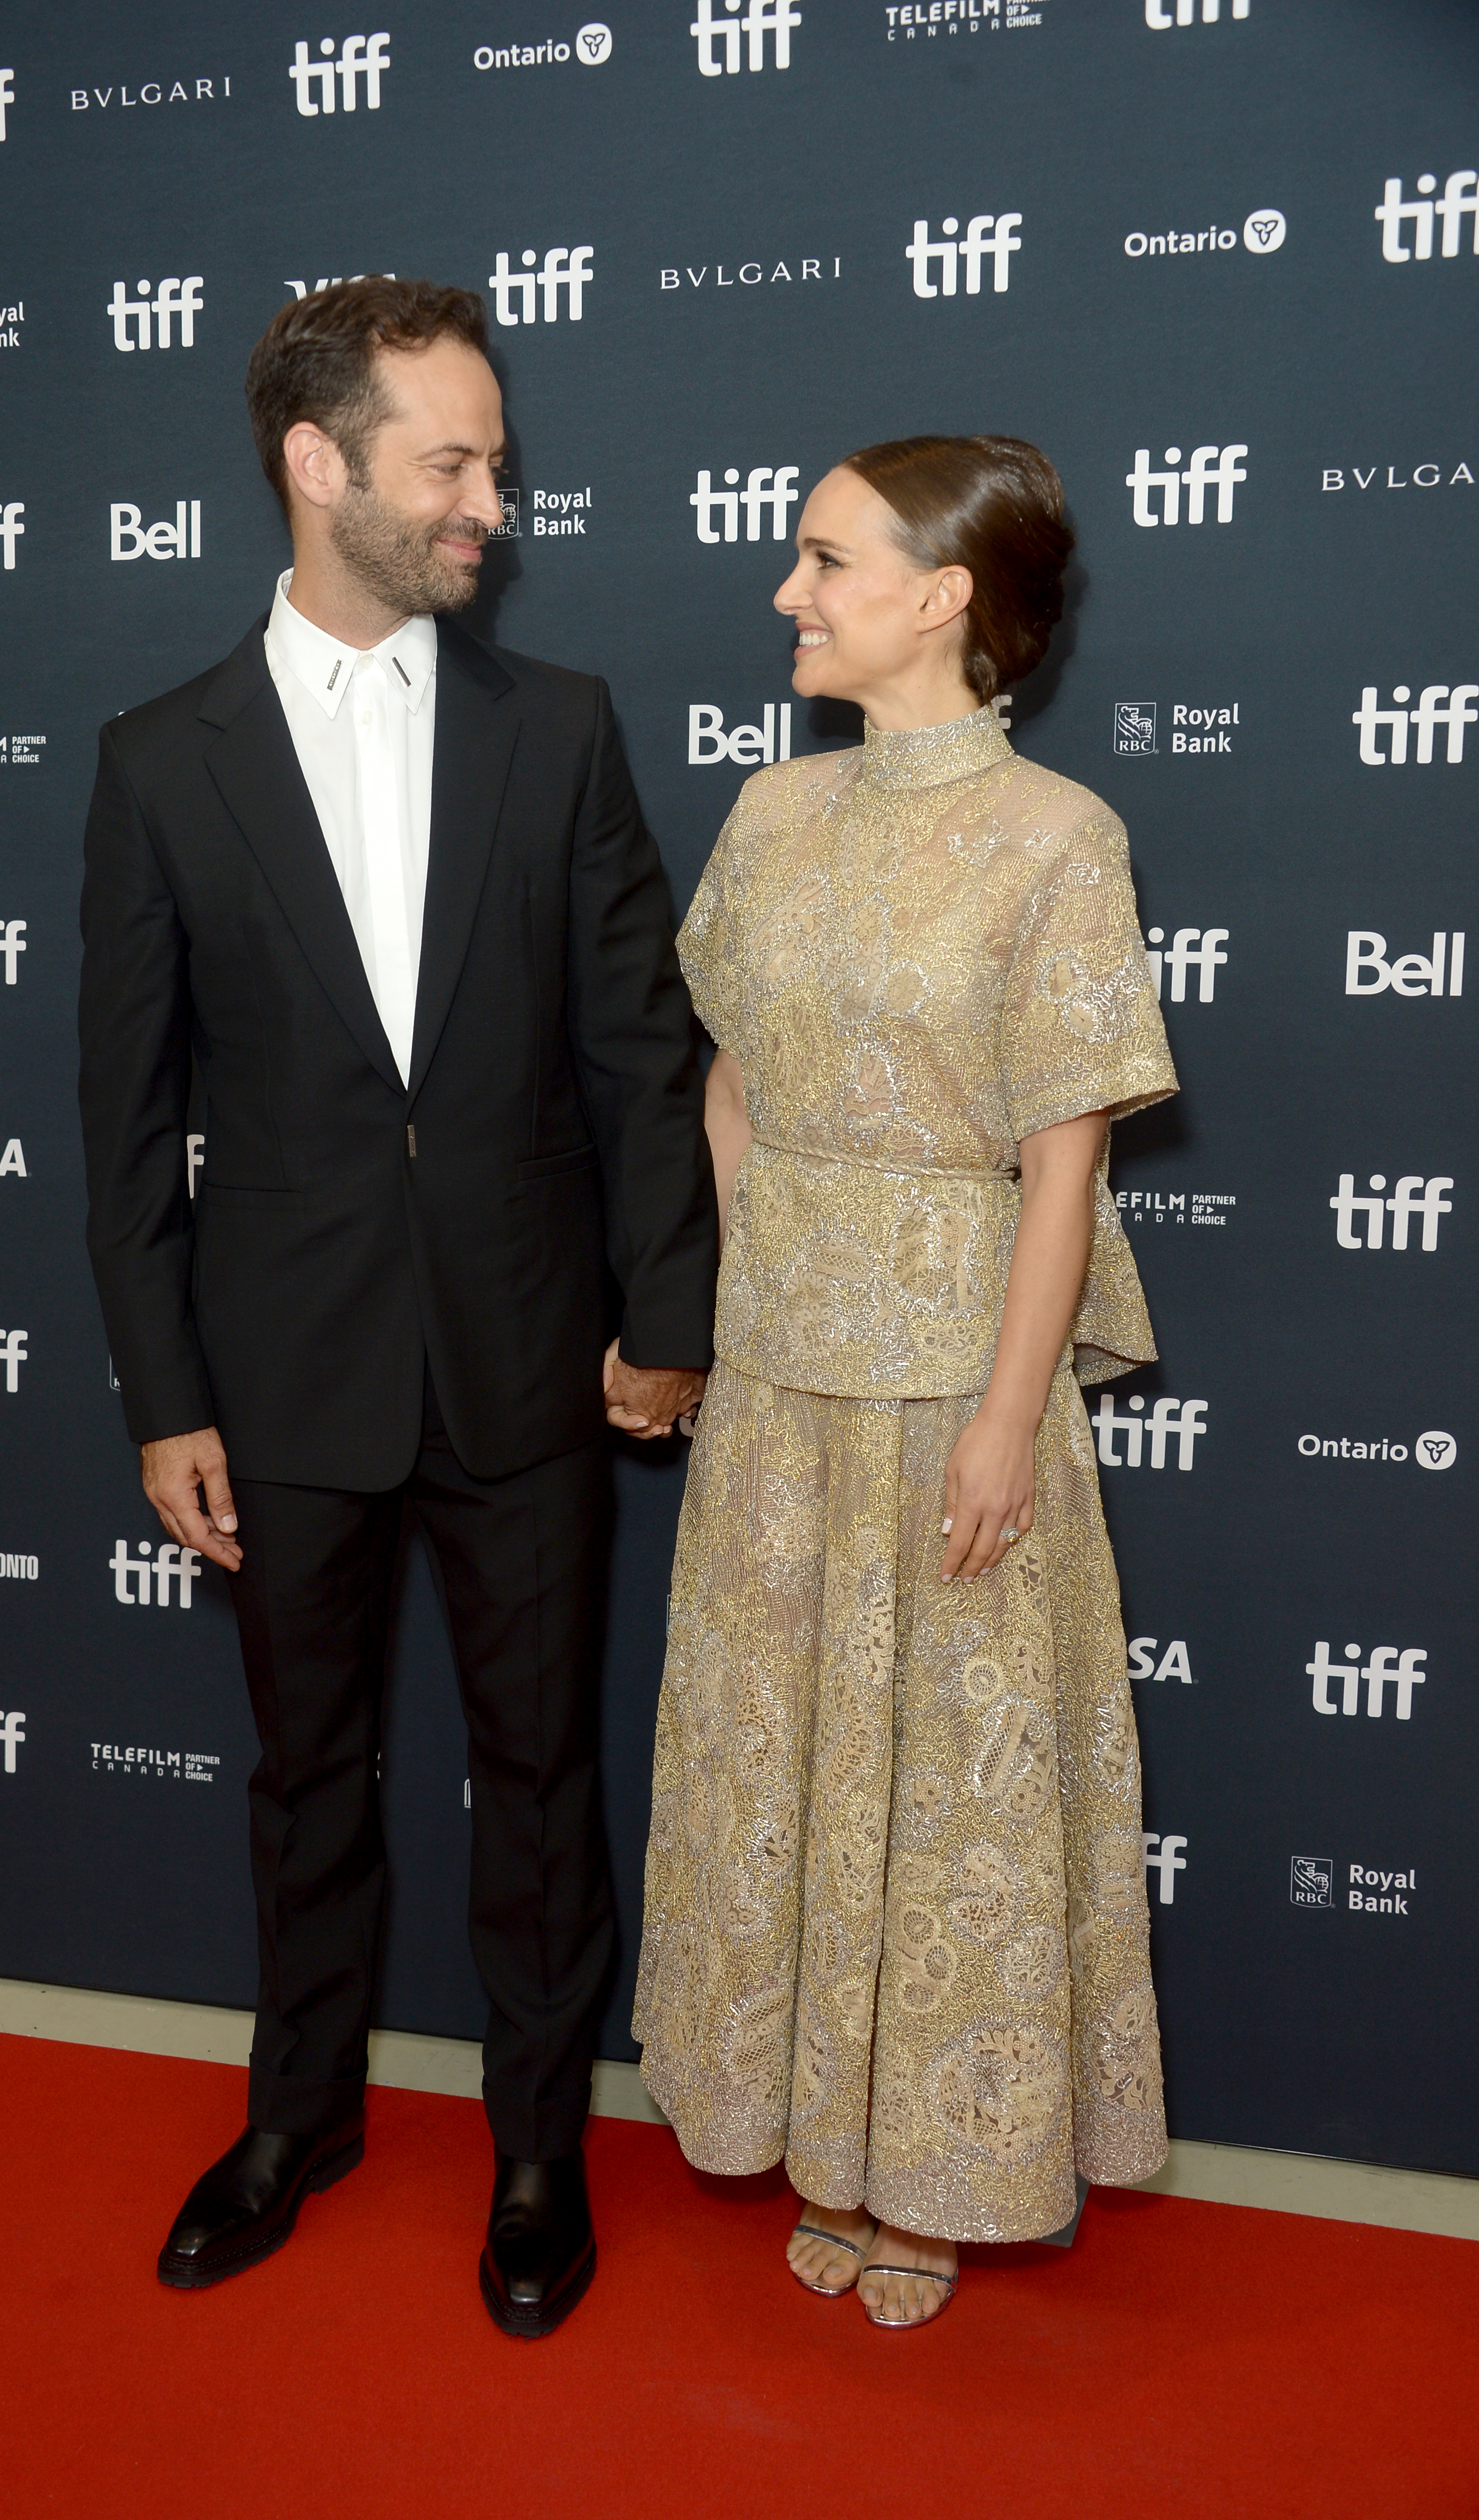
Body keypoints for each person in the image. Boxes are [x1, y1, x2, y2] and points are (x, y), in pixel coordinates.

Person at [78, 278, 717, 2334]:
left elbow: (638, 1050)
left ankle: (539, 2147)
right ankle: (302, 2114)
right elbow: (128, 1117)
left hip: (536, 1354)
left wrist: (665, 1309)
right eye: (449, 460)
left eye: (496, 461)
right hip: (279, 1373)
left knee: (541, 1775)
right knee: (305, 1771)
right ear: (317, 463)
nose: (489, 502)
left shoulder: (567, 728)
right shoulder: (157, 761)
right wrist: (163, 1392)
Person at [633, 436, 1177, 2328]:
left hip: (958, 1375)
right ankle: (804, 2121)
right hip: (787, 1378)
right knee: (781, 1764)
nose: (790, 592)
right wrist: (757, 1255)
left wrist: (1011, 1419)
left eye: (827, 561)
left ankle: (937, 2170)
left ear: (946, 598)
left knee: (945, 1787)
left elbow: (1064, 1160)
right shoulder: (770, 816)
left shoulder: (1058, 837)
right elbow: (723, 1070)